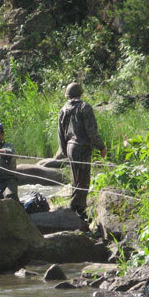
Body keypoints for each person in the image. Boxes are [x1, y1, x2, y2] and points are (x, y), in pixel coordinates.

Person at [57, 83, 107, 220]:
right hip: (82, 147)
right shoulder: (85, 108)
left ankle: (77, 210)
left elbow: (60, 134)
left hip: (70, 147)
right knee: (83, 181)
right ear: (80, 93)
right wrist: (101, 147)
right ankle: (77, 210)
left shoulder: (63, 110)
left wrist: (64, 151)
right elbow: (92, 132)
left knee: (76, 179)